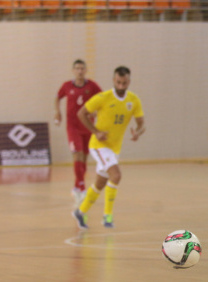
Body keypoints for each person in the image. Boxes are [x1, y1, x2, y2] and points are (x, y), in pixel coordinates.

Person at [72, 66, 146, 229]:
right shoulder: (103, 97)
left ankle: (80, 211)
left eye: (124, 83)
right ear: (114, 81)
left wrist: (138, 133)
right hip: (99, 145)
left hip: (114, 148)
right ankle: (108, 216)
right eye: (118, 82)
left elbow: (141, 124)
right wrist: (95, 131)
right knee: (116, 175)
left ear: (129, 82)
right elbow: (81, 113)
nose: (121, 86)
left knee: (100, 183)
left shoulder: (133, 100)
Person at [54, 59, 102, 207]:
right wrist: (58, 112)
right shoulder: (67, 85)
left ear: (85, 70)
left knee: (84, 159)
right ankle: (81, 188)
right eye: (77, 68)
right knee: (77, 154)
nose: (80, 71)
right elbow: (58, 97)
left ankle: (76, 186)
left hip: (87, 127)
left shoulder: (92, 86)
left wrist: (95, 112)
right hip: (73, 127)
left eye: (82, 68)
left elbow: (102, 100)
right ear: (73, 70)